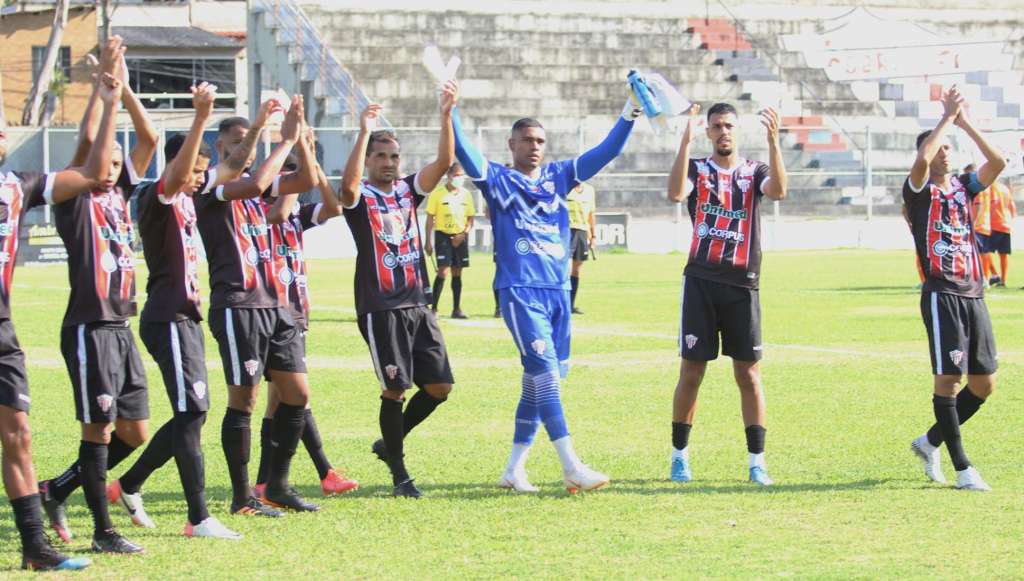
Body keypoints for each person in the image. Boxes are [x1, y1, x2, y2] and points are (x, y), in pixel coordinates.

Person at [452, 81, 639, 494]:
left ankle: (513, 470)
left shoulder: (559, 176)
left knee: (538, 382)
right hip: (519, 289)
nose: (534, 147)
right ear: (511, 144)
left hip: (557, 291)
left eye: (539, 140)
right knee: (545, 376)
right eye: (526, 140)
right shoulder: (498, 179)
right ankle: (570, 464)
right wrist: (449, 110)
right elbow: (464, 152)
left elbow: (606, 153)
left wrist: (630, 111)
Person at [0, 39, 126, 573]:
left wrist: (105, 97)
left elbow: (94, 172)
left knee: (19, 434)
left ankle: (35, 549)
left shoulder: (17, 186)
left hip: (1, 331)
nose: (2, 132)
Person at [39, 36, 163, 554]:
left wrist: (124, 87)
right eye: (104, 158)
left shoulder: (119, 195)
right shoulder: (74, 198)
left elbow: (151, 139)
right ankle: (103, 532)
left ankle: (59, 489)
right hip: (90, 327)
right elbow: (88, 144)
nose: (112, 164)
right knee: (100, 431)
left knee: (134, 432)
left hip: (121, 327)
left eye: (117, 160)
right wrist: (101, 96)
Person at [104, 82, 244, 540]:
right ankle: (198, 517)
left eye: (205, 170)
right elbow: (176, 174)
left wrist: (266, 126)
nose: (201, 177)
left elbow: (235, 167)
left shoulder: (189, 196)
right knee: (191, 413)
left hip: (183, 318)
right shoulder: (159, 197)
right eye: (195, 169)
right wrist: (200, 116)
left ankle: (118, 484)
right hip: (167, 317)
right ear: (178, 166)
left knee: (193, 412)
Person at [196, 97, 320, 515]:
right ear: (219, 148)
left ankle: (277, 485)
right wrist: (280, 138)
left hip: (275, 304)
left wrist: (300, 139)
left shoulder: (259, 186)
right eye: (237, 142)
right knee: (244, 400)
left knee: (296, 394)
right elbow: (249, 182)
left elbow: (305, 181)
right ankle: (240, 496)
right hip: (238, 304)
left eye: (248, 142)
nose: (244, 150)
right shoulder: (211, 188)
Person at [340, 84, 457, 498]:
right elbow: (348, 189)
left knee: (440, 388)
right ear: (369, 160)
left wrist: (445, 113)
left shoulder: (408, 191)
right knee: (395, 389)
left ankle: (387, 444)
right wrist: (362, 132)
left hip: (418, 303)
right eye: (380, 156)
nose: (389, 163)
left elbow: (444, 161)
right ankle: (400, 475)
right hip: (381, 306)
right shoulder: (360, 196)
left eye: (394, 156)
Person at [666, 102, 788, 487]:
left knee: (748, 374)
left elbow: (780, 191)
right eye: (717, 126)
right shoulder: (697, 169)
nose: (724, 132)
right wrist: (683, 142)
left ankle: (757, 462)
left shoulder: (754, 172)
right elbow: (674, 193)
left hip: (742, 284)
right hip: (701, 282)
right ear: (708, 131)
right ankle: (679, 456)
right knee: (692, 371)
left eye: (729, 126)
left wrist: (774, 142)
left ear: (737, 130)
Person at [906, 87, 1006, 491]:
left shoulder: (964, 187)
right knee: (947, 379)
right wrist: (945, 118)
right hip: (941, 293)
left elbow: (997, 162)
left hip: (974, 292)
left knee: (984, 384)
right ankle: (963, 468)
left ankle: (929, 441)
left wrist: (964, 123)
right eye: (939, 147)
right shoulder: (919, 193)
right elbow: (920, 161)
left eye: (949, 146)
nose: (945, 151)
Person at [253, 131, 358, 500]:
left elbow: (333, 209)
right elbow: (280, 211)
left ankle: (266, 481)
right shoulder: (259, 209)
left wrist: (311, 162)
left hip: (295, 312)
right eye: (285, 174)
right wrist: (298, 163)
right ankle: (324, 471)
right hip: (271, 311)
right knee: (294, 395)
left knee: (279, 400)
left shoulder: (296, 214)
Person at [425, 162, 475, 319]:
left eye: (462, 175)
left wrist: (463, 234)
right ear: (449, 176)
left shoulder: (466, 194)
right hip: (443, 236)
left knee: (457, 272)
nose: (459, 178)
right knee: (443, 271)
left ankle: (456, 309)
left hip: (460, 236)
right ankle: (434, 309)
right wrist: (428, 241)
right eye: (456, 175)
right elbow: (430, 219)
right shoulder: (437, 194)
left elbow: (470, 219)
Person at [567, 181, 596, 314]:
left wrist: (593, 235)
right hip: (566, 230)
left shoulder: (589, 190)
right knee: (565, 268)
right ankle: (560, 303)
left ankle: (570, 304)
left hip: (582, 231)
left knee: (576, 269)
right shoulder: (566, 187)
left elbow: (591, 214)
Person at [967, 164, 995, 286]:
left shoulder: (976, 189)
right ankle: (988, 277)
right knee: (984, 252)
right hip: (985, 224)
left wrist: (971, 223)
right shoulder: (985, 187)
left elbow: (978, 206)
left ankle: (984, 278)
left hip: (978, 225)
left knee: (978, 253)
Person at [987, 177, 1015, 286]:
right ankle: (1003, 280)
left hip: (993, 225)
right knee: (1003, 254)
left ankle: (994, 274)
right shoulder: (1005, 189)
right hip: (1005, 224)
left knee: (984, 252)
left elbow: (992, 205)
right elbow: (1012, 207)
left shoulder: (991, 188)